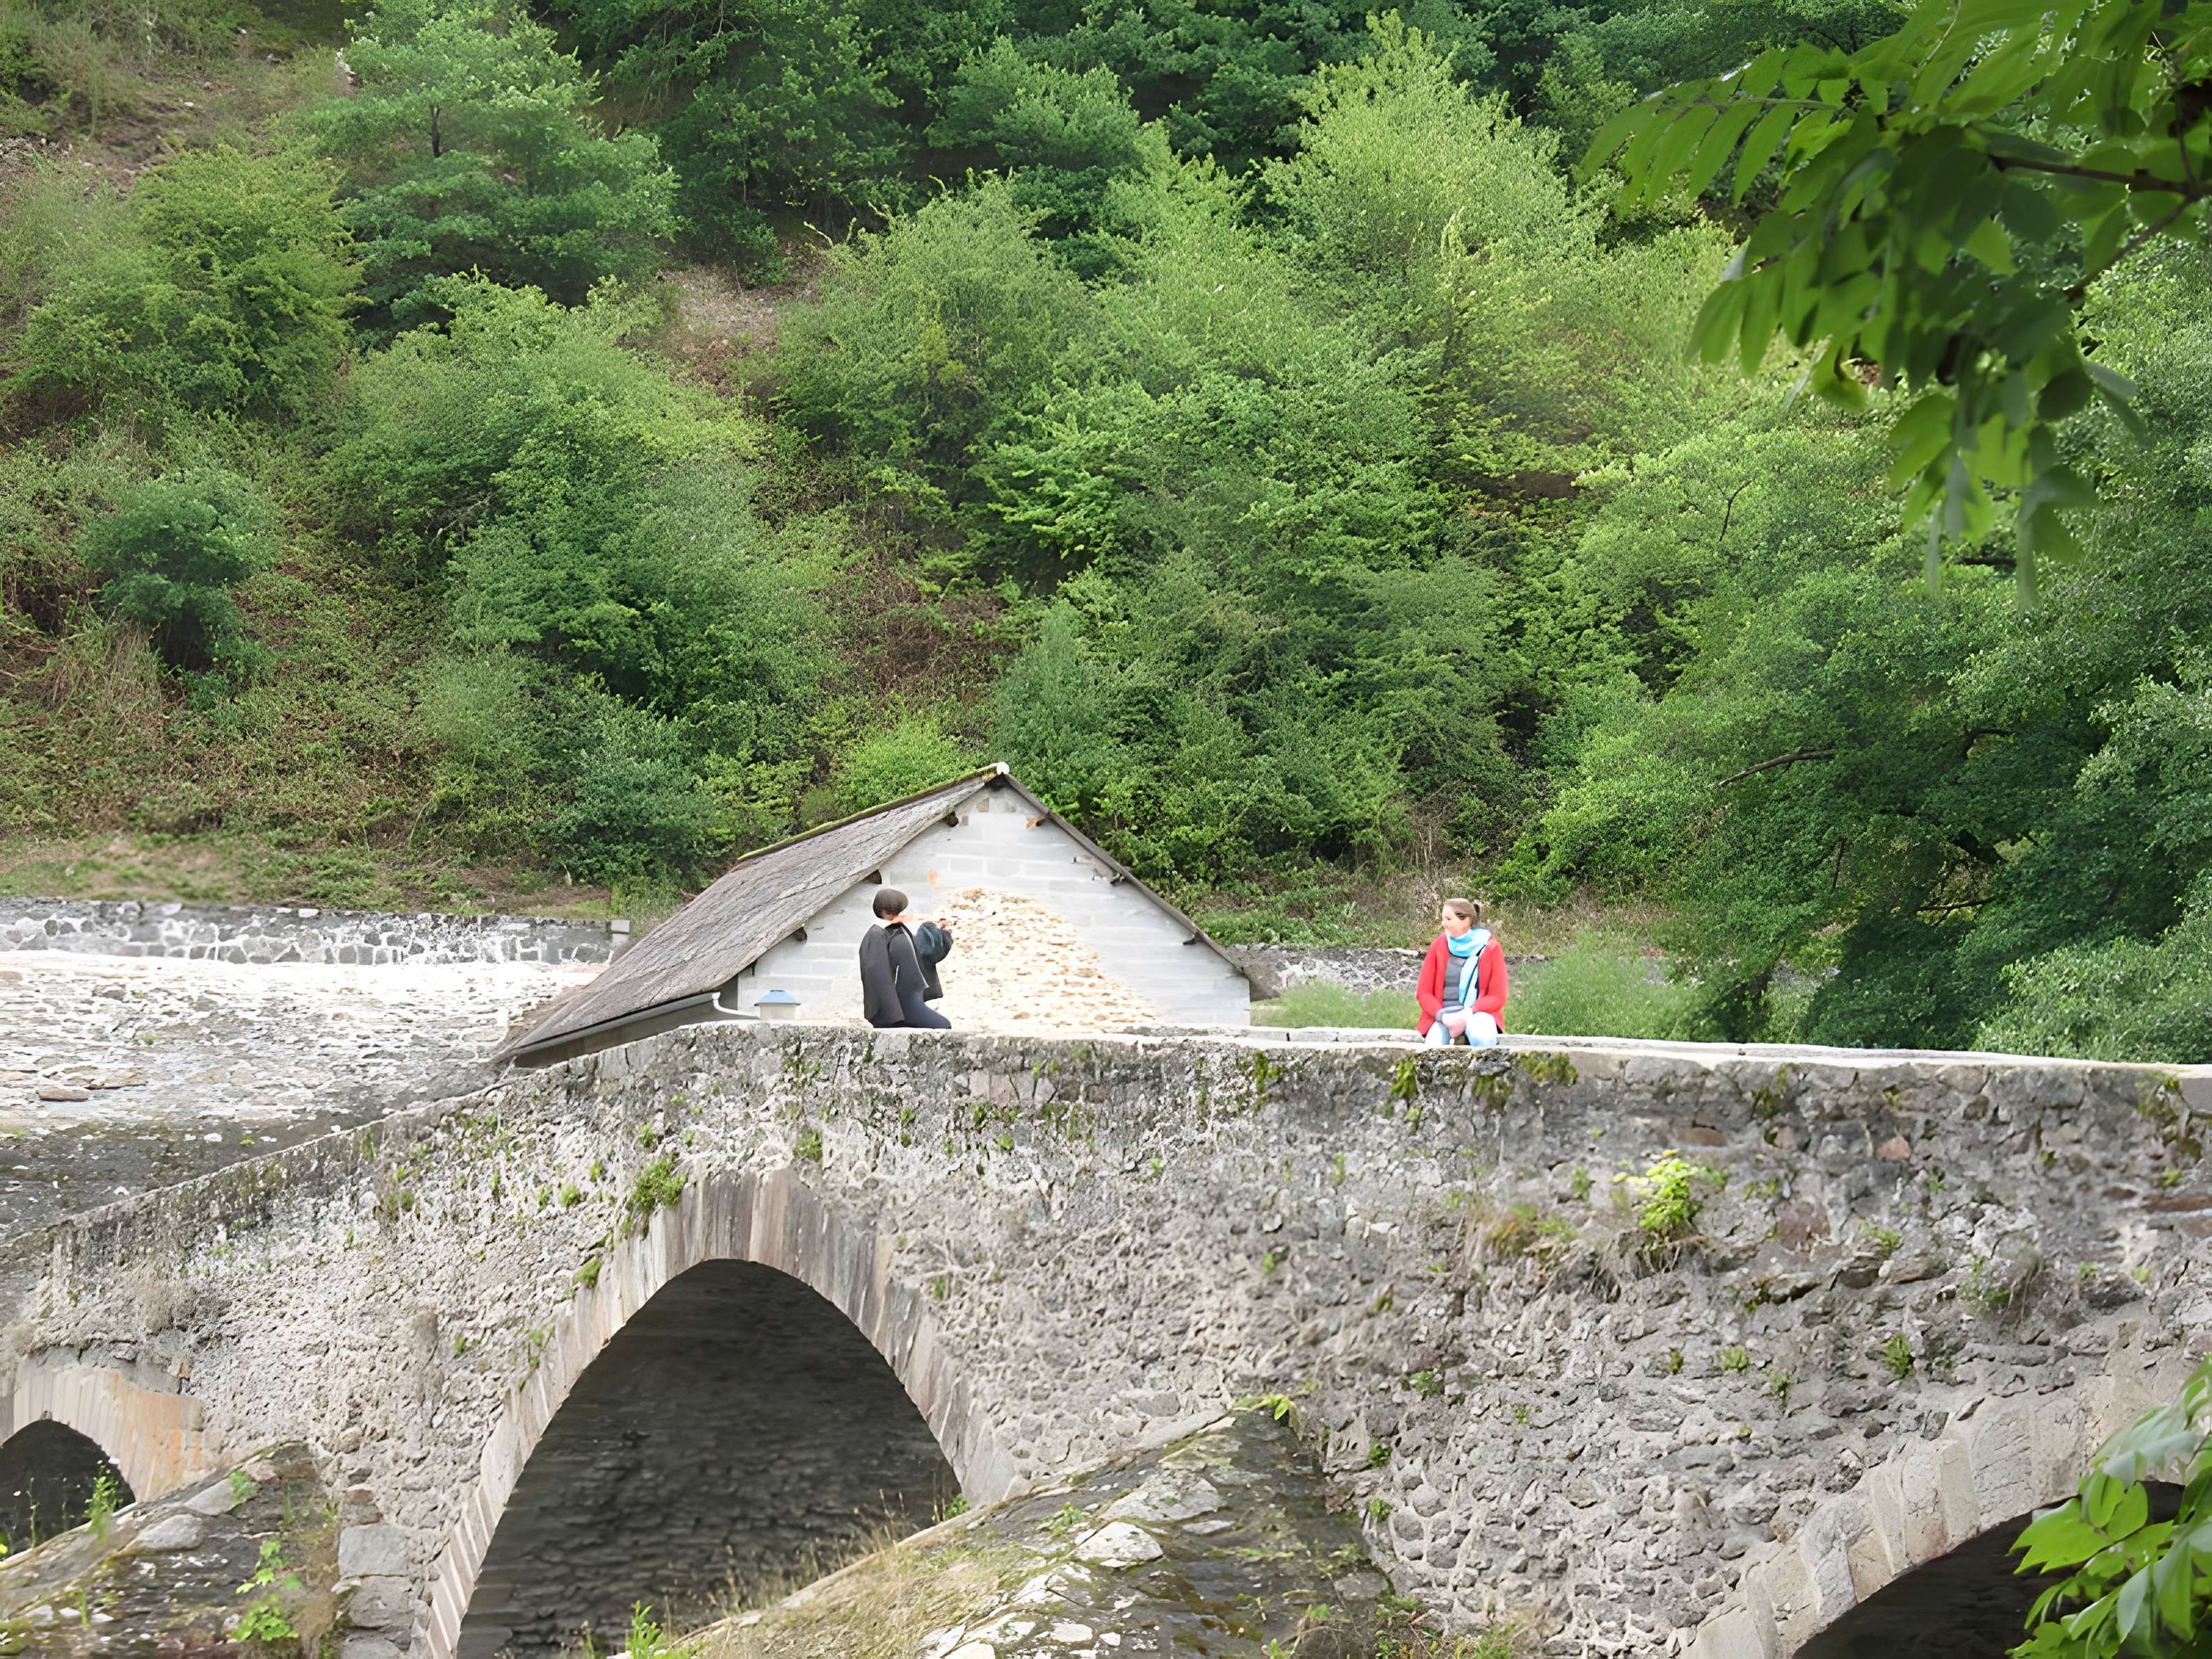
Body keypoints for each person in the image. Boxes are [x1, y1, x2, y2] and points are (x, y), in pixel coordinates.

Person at [1416, 897, 1507, 1047]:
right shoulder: (1438, 945)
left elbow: (1497, 996)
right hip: (1444, 1016)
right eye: (1443, 919)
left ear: (1466, 920)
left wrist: (1466, 1015)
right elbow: (1423, 993)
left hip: (1478, 1014)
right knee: (1433, 1045)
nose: (1443, 924)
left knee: (1482, 1037)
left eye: (1448, 919)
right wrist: (1443, 1017)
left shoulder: (1491, 947)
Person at [858, 888, 951, 1029]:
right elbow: (878, 976)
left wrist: (939, 931)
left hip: (912, 999)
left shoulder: (897, 930)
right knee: (943, 1026)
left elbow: (919, 951)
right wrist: (893, 1016)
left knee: (944, 1026)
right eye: (892, 911)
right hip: (902, 1005)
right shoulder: (876, 935)